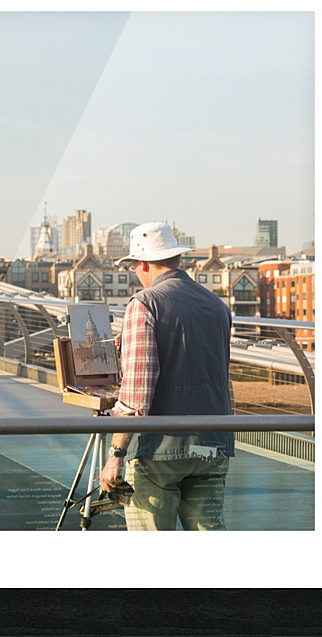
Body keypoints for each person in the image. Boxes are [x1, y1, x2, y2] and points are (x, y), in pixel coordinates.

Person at [98, 221, 235, 531]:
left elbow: (136, 396)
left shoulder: (144, 304)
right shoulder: (217, 306)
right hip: (213, 444)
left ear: (142, 263)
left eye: (133, 266)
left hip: (160, 451)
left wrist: (116, 455)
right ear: (176, 259)